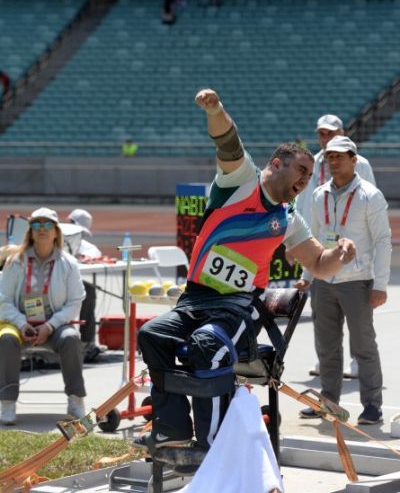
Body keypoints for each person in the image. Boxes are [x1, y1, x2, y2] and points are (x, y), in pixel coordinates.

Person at [133, 88, 355, 455]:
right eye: (302, 169)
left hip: (238, 306)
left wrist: (341, 255)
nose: (306, 179)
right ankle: (171, 428)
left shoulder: (288, 219)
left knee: (209, 347)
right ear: (277, 162)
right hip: (195, 298)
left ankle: (213, 446)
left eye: (310, 175)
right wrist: (215, 109)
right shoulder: (241, 180)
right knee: (152, 335)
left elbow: (317, 262)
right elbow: (228, 142)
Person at [297, 136, 391, 424]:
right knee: (327, 346)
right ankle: (328, 401)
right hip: (325, 282)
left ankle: (372, 406)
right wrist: (307, 276)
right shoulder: (319, 195)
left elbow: (383, 241)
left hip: (357, 282)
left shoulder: (369, 195)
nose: (334, 161)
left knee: (363, 346)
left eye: (340, 156)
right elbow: (311, 239)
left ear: (354, 159)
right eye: (330, 157)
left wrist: (379, 285)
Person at [296, 113, 375, 378]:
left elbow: (371, 203)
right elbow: (302, 201)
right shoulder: (310, 163)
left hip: (350, 246)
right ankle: (326, 361)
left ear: (343, 133)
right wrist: (297, 239)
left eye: (331, 133)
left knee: (355, 310)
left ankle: (356, 362)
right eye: (322, 133)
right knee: (322, 310)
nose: (326, 138)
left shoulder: (360, 164)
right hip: (318, 242)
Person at [0, 207, 86, 425]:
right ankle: (7, 402)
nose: (42, 229)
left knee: (71, 339)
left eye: (47, 225)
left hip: (55, 325)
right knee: (7, 340)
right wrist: (21, 323)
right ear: (30, 231)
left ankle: (76, 400)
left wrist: (49, 325)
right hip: (17, 323)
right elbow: (3, 299)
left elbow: (75, 302)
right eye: (36, 225)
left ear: (56, 231)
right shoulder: (15, 261)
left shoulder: (69, 263)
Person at [68, 208, 103, 363]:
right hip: (47, 280)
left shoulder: (87, 246)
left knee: (88, 290)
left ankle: (86, 342)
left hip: (69, 281)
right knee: (87, 290)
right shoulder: (54, 238)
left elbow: (96, 255)